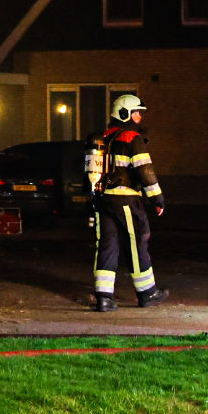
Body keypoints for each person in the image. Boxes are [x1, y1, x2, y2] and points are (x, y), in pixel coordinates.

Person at [90, 93, 170, 312]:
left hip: (103, 200)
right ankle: (148, 293)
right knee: (137, 242)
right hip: (125, 198)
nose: (139, 118)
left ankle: (104, 297)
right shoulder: (131, 138)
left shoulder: (103, 138)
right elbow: (145, 170)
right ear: (124, 114)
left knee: (106, 245)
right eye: (136, 113)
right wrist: (157, 199)